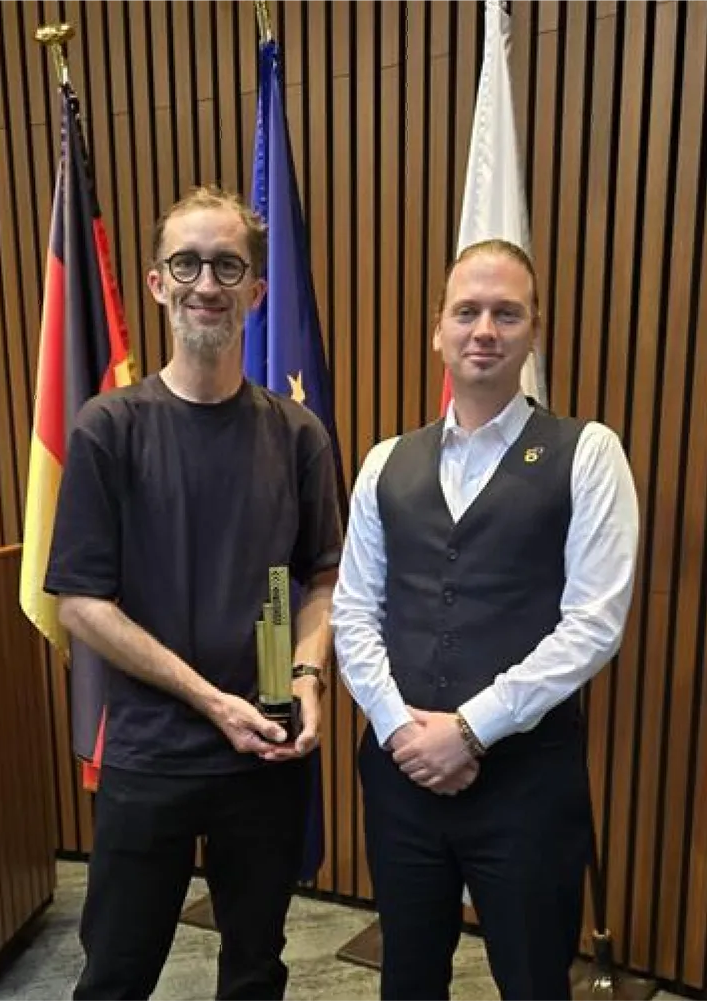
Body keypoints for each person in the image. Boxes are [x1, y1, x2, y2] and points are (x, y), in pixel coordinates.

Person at [44, 186, 341, 1001]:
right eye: (186, 263)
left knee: (255, 971)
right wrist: (210, 700)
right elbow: (78, 601)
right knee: (116, 974)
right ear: (156, 283)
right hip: (150, 753)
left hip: (267, 752)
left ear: (258, 289)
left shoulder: (298, 434)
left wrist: (309, 675)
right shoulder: (108, 427)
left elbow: (322, 576)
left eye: (228, 266)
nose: (206, 283)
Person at [332, 239, 639, 1001]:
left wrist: (468, 730)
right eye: (467, 311)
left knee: (534, 982)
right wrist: (402, 731)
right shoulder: (384, 461)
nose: (484, 330)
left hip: (527, 786)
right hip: (401, 778)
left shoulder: (588, 453)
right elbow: (353, 611)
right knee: (406, 979)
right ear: (438, 329)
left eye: (507, 313)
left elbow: (594, 623)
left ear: (535, 331)